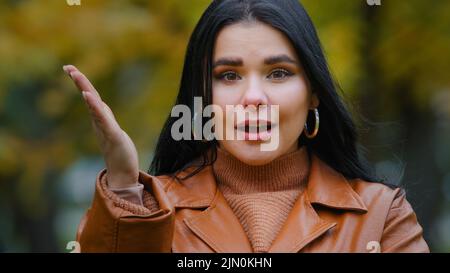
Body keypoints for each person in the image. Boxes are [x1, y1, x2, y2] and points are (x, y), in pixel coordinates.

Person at [64, 0, 429, 253]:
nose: (253, 97)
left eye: (279, 73)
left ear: (313, 93)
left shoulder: (380, 216)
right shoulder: (148, 214)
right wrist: (126, 189)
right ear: (202, 96)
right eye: (228, 75)